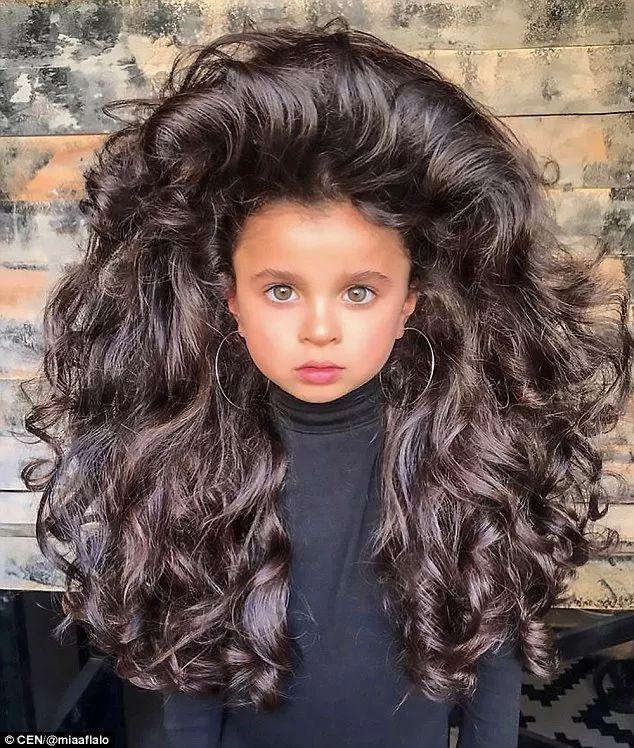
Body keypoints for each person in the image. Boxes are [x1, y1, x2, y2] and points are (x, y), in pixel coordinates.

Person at [21, 17, 632, 748]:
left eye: (359, 292)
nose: (319, 329)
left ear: (409, 302)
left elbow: (490, 647)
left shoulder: (465, 463)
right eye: (281, 290)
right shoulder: (191, 469)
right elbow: (192, 670)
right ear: (231, 300)